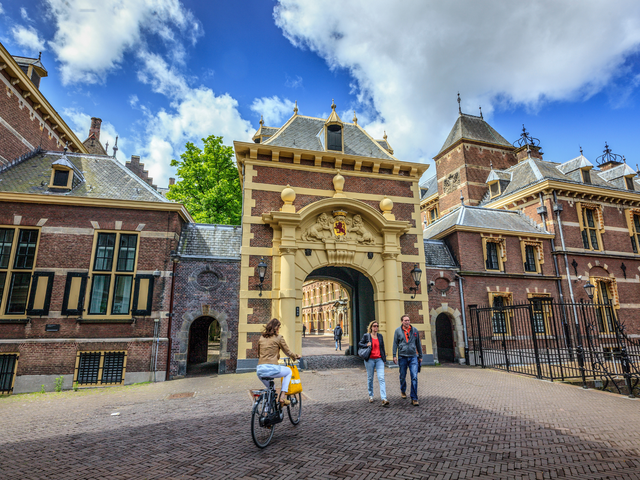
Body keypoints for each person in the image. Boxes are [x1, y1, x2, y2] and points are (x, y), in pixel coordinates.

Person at [256, 318, 301, 406]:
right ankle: (282, 396)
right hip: (272, 368)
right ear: (276, 328)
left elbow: (258, 354)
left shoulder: (261, 338)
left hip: (260, 370)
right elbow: (287, 351)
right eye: (279, 327)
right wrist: (296, 356)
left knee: (271, 389)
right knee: (288, 371)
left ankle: (268, 409)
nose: (279, 329)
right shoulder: (279, 337)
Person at [392, 314, 423, 406]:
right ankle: (403, 390)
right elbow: (395, 343)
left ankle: (414, 398)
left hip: (413, 356)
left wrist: (420, 356)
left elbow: (418, 344)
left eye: (408, 320)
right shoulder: (397, 331)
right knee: (402, 376)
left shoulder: (415, 330)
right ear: (402, 321)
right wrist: (394, 355)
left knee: (414, 377)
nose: (407, 322)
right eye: (405, 320)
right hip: (402, 356)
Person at [359, 320, 389, 407]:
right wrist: (366, 345)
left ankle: (384, 398)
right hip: (370, 359)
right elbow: (360, 344)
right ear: (371, 327)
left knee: (381, 378)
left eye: (377, 326)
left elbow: (382, 347)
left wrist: (384, 359)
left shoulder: (380, 336)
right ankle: (371, 395)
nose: (376, 327)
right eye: (374, 326)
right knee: (370, 377)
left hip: (379, 359)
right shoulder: (366, 336)